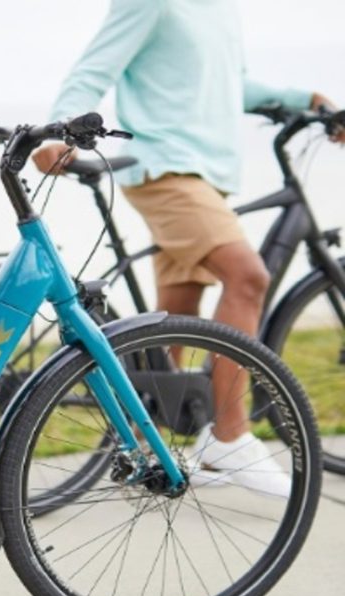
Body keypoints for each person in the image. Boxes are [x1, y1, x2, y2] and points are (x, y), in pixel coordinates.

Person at [32, 0, 343, 497]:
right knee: (247, 277)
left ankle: (141, 445)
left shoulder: (220, 10)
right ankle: (228, 435)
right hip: (165, 168)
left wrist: (304, 98)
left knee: (174, 317)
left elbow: (230, 86)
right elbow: (95, 68)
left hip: (207, 174)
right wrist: (61, 131)